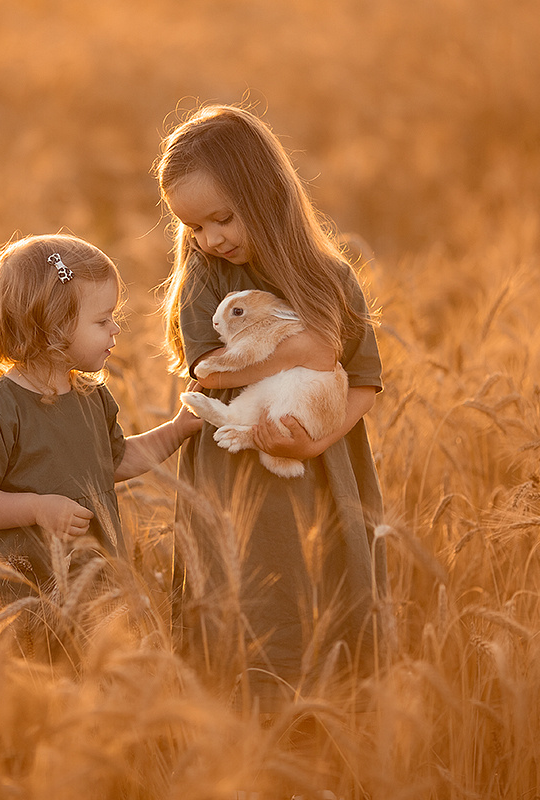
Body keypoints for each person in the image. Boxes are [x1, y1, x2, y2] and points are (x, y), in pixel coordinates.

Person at [155, 104, 388, 712]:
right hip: (238, 480)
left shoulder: (330, 278)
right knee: (248, 605)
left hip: (321, 472)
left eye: (222, 218)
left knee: (323, 603)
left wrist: (314, 441)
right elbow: (208, 370)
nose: (210, 239)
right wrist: (299, 353)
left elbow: (364, 380)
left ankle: (325, 735)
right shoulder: (208, 281)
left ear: (265, 194)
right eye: (195, 228)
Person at [0, 233, 201, 661]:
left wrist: (178, 429)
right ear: (53, 326)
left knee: (81, 675)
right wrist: (37, 508)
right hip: (15, 589)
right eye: (102, 321)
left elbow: (114, 462)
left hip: (86, 579)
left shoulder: (92, 398)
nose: (116, 329)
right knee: (27, 682)